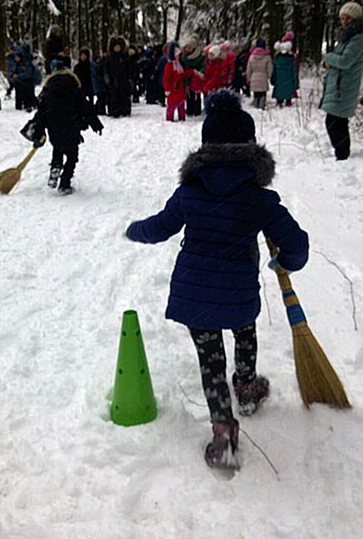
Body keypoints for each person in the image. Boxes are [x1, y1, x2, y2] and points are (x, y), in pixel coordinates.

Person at [125, 89, 309, 470]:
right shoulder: (260, 199)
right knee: (244, 333)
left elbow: (160, 227)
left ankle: (223, 430)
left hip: (195, 295)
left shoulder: (190, 193)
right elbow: (297, 245)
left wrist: (134, 230)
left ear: (205, 146)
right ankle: (245, 385)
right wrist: (286, 261)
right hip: (240, 294)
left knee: (210, 358)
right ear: (250, 147)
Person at [20, 59, 104, 194]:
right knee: (72, 155)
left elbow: (41, 112)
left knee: (58, 148)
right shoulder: (74, 88)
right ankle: (65, 183)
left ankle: (55, 167)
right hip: (71, 124)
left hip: (54, 126)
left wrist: (39, 130)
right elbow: (86, 107)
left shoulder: (47, 91)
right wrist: (95, 124)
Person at [320, 1, 363, 160]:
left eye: (348, 18)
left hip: (344, 87)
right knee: (336, 121)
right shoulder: (347, 37)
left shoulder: (357, 38)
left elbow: (345, 61)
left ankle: (343, 155)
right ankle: (341, 153)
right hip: (340, 85)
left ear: (355, 19)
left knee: (335, 122)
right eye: (342, 18)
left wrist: (329, 57)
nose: (344, 21)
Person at [162, 41, 198, 122]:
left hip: (180, 88)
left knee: (181, 104)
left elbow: (182, 74)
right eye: (177, 55)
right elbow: (166, 78)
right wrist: (167, 89)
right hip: (173, 89)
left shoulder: (178, 64)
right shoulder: (169, 65)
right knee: (171, 106)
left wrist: (191, 72)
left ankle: (182, 118)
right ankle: (169, 119)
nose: (179, 56)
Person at [104, 37, 131, 117]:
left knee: (124, 96)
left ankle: (125, 110)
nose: (117, 48)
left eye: (118, 47)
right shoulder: (110, 57)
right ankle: (114, 111)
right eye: (115, 47)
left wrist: (129, 78)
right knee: (113, 96)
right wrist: (107, 77)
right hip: (113, 80)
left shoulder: (124, 57)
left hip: (123, 80)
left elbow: (129, 69)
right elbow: (106, 68)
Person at [182, 35, 205, 116]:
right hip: (187, 77)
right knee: (189, 95)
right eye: (186, 47)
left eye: (189, 48)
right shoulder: (184, 56)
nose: (187, 49)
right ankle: (189, 110)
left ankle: (197, 110)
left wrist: (199, 73)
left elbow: (203, 66)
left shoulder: (199, 56)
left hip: (195, 78)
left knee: (196, 95)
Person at [246, 39, 273, 109]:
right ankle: (262, 104)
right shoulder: (267, 57)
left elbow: (249, 69)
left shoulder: (251, 57)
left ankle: (256, 103)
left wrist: (248, 78)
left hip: (254, 77)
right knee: (263, 92)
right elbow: (270, 68)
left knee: (256, 92)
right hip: (263, 76)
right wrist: (268, 76)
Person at [271, 41, 299, 107]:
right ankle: (288, 101)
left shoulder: (276, 61)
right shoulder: (291, 61)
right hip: (289, 83)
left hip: (279, 83)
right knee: (288, 90)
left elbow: (274, 73)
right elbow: (294, 74)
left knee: (279, 90)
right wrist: (296, 84)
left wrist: (273, 81)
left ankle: (279, 101)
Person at [8, 47, 36, 111]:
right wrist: (12, 75)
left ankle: (29, 105)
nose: (16, 58)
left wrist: (18, 76)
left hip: (27, 82)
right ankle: (19, 105)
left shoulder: (26, 63)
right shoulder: (15, 64)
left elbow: (29, 73)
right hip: (19, 83)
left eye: (17, 57)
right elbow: (11, 71)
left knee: (28, 93)